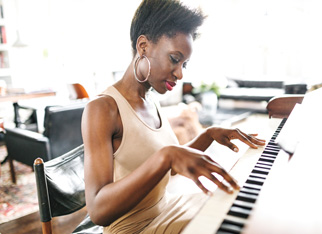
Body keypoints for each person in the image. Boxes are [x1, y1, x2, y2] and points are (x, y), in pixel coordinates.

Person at [82, 0, 265, 233]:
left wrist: (208, 135)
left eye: (184, 64)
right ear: (143, 46)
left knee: (239, 203)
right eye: (174, 59)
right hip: (135, 228)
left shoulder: (150, 100)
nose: (179, 73)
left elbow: (165, 167)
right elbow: (98, 211)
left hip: (166, 209)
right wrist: (166, 156)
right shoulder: (102, 109)